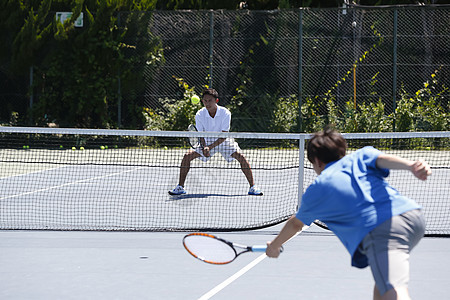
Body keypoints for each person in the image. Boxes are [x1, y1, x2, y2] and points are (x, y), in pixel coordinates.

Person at [266, 127, 431, 300]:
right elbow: (382, 159)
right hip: (413, 217)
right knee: (382, 286)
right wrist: (411, 165)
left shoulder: (318, 188)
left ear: (317, 161)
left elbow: (295, 224)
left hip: (382, 230)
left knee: (394, 289)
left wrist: (275, 246)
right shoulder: (359, 156)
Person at [169, 88, 263, 196]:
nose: (207, 103)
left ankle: (252, 187)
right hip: (207, 140)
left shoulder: (225, 113)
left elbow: (223, 136)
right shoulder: (199, 114)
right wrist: (204, 146)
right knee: (187, 156)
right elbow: (201, 135)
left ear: (216, 101)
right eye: (205, 100)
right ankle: (180, 187)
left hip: (224, 141)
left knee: (241, 156)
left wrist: (210, 147)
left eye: (210, 100)